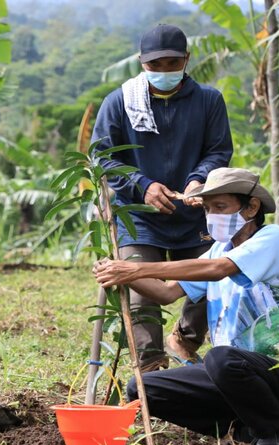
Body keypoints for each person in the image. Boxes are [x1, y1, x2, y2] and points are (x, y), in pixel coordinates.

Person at [93, 168, 279, 445]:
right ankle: (243, 431)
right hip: (230, 376)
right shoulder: (218, 249)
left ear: (251, 207)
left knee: (221, 358)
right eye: (208, 209)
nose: (212, 215)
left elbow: (220, 269)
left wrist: (136, 267)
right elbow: (166, 293)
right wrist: (120, 274)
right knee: (141, 388)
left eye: (221, 207)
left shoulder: (272, 237)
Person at [91, 24, 234, 371]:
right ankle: (151, 368)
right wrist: (143, 185)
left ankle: (185, 339)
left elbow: (219, 150)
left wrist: (199, 180)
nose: (164, 71)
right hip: (138, 213)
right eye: (155, 65)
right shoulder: (120, 102)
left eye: (172, 64)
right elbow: (101, 158)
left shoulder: (208, 101)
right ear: (142, 63)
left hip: (193, 213)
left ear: (186, 60)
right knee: (140, 288)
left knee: (209, 279)